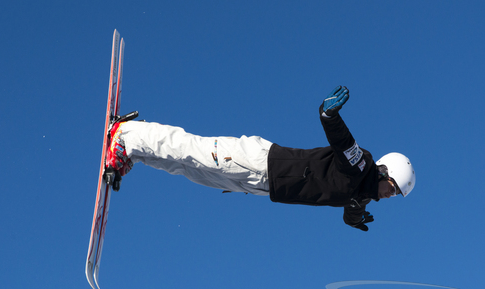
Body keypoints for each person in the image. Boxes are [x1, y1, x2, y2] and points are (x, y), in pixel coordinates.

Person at [105, 86, 415, 231]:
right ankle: (127, 134)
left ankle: (134, 151)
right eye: (392, 187)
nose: (389, 195)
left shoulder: (359, 195)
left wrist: (356, 219)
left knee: (190, 170)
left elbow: (351, 209)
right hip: (260, 162)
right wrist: (329, 114)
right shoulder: (361, 165)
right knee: (192, 150)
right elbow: (344, 142)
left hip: (262, 186)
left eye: (395, 194)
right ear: (383, 172)